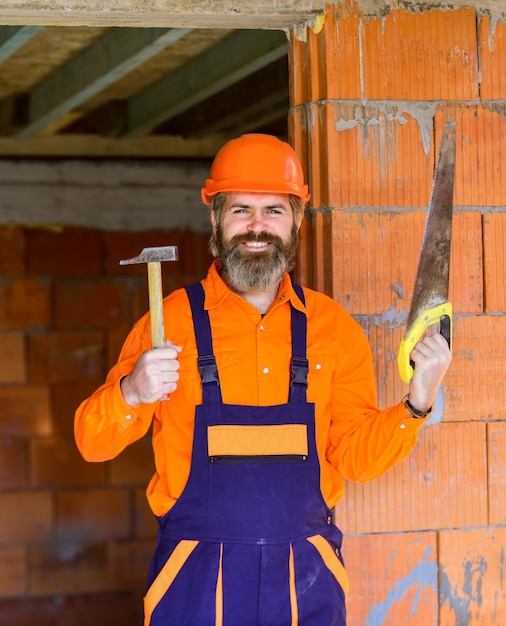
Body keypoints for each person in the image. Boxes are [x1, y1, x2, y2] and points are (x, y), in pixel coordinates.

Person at [74, 133, 451, 626]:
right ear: (215, 219)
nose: (257, 227)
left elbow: (353, 457)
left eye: (273, 210)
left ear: (296, 220)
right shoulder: (167, 324)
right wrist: (133, 391)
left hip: (305, 580)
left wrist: (417, 402)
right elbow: (91, 443)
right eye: (240, 211)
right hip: (195, 579)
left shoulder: (331, 329)